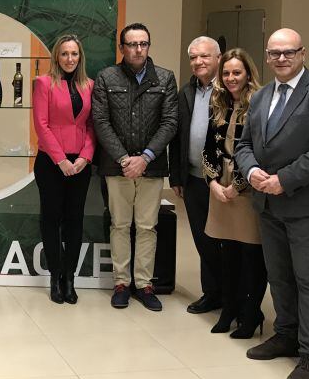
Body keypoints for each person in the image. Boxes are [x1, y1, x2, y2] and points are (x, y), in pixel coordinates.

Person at [233, 28, 309, 379]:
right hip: (266, 201)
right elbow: (244, 143)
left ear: (303, 54)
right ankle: (286, 334)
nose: (281, 58)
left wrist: (284, 179)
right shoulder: (262, 96)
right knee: (278, 273)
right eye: (274, 53)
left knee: (308, 279)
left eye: (288, 52)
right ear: (266, 57)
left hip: (303, 202)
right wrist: (250, 170)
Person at [91, 22, 178, 311]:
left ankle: (144, 284)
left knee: (147, 227)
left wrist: (146, 157)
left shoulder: (165, 79)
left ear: (148, 46)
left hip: (151, 167)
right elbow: (101, 122)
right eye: (132, 44)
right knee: (119, 224)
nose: (138, 49)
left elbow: (170, 122)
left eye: (143, 44)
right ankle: (121, 283)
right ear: (122, 48)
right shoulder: (106, 77)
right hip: (117, 167)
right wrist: (125, 159)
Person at [200, 48, 268, 338]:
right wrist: (213, 182)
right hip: (220, 185)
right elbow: (208, 146)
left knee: (251, 257)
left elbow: (261, 150)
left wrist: (237, 185)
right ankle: (229, 309)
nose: (230, 78)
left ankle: (251, 313)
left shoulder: (260, 103)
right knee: (226, 253)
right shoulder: (218, 103)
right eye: (226, 73)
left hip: (250, 184)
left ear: (248, 74)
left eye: (236, 72)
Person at [32, 34, 95, 304]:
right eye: (65, 54)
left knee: (74, 221)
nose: (70, 59)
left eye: (74, 54)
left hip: (80, 164)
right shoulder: (43, 83)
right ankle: (55, 277)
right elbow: (41, 125)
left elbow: (94, 126)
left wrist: (84, 157)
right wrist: (61, 160)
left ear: (80, 57)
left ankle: (70, 278)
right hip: (51, 163)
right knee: (51, 219)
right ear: (57, 56)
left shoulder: (90, 85)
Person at [169, 36, 223, 315]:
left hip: (223, 181)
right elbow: (177, 135)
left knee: (225, 239)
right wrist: (176, 176)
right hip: (192, 178)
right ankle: (211, 293)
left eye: (204, 56)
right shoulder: (187, 92)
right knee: (203, 238)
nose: (198, 62)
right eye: (193, 57)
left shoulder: (229, 89)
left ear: (218, 58)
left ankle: (232, 295)